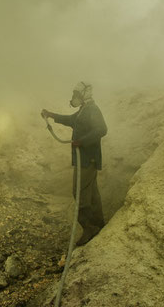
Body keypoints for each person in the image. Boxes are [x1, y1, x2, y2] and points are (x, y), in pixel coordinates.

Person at [41, 81, 108, 246]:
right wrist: (51, 115)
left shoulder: (92, 110)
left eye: (76, 95)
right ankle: (99, 224)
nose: (73, 98)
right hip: (85, 159)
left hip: (87, 159)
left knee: (79, 192)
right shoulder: (83, 110)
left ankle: (88, 228)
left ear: (84, 95)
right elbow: (70, 119)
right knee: (92, 193)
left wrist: (82, 142)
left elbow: (102, 129)